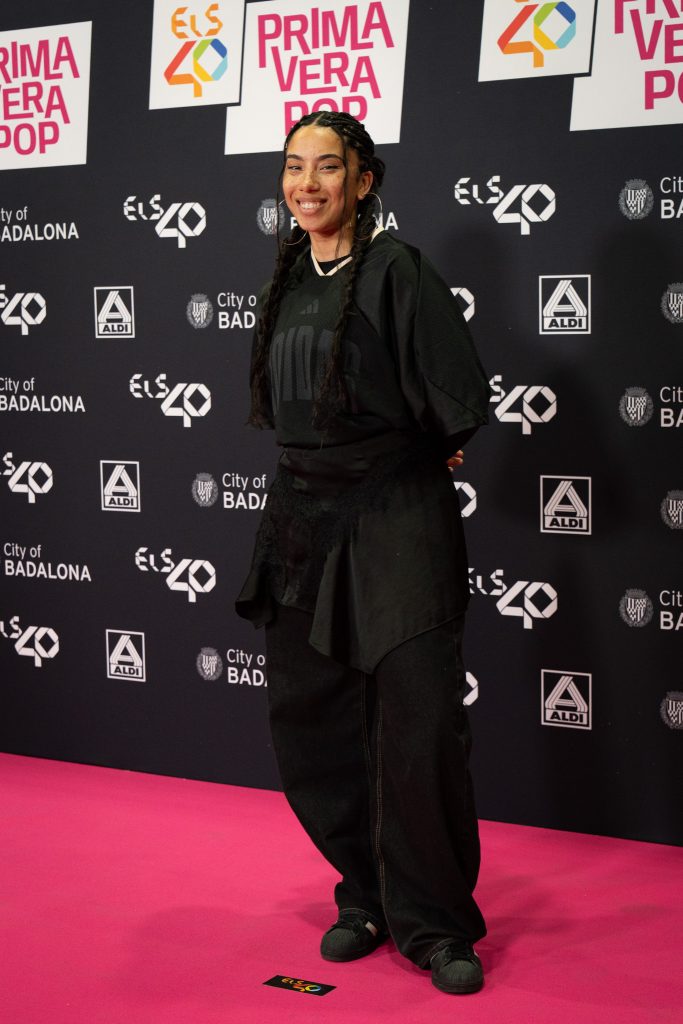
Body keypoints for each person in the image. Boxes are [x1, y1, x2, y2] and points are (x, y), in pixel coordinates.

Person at [236, 111, 490, 995]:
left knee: (417, 726)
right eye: (293, 167)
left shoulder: (398, 269)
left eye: (327, 167)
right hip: (300, 521)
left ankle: (436, 924)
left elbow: (455, 394)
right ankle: (367, 895)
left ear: (364, 180)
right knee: (314, 724)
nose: (306, 184)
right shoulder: (287, 278)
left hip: (395, 519)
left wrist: (418, 450)